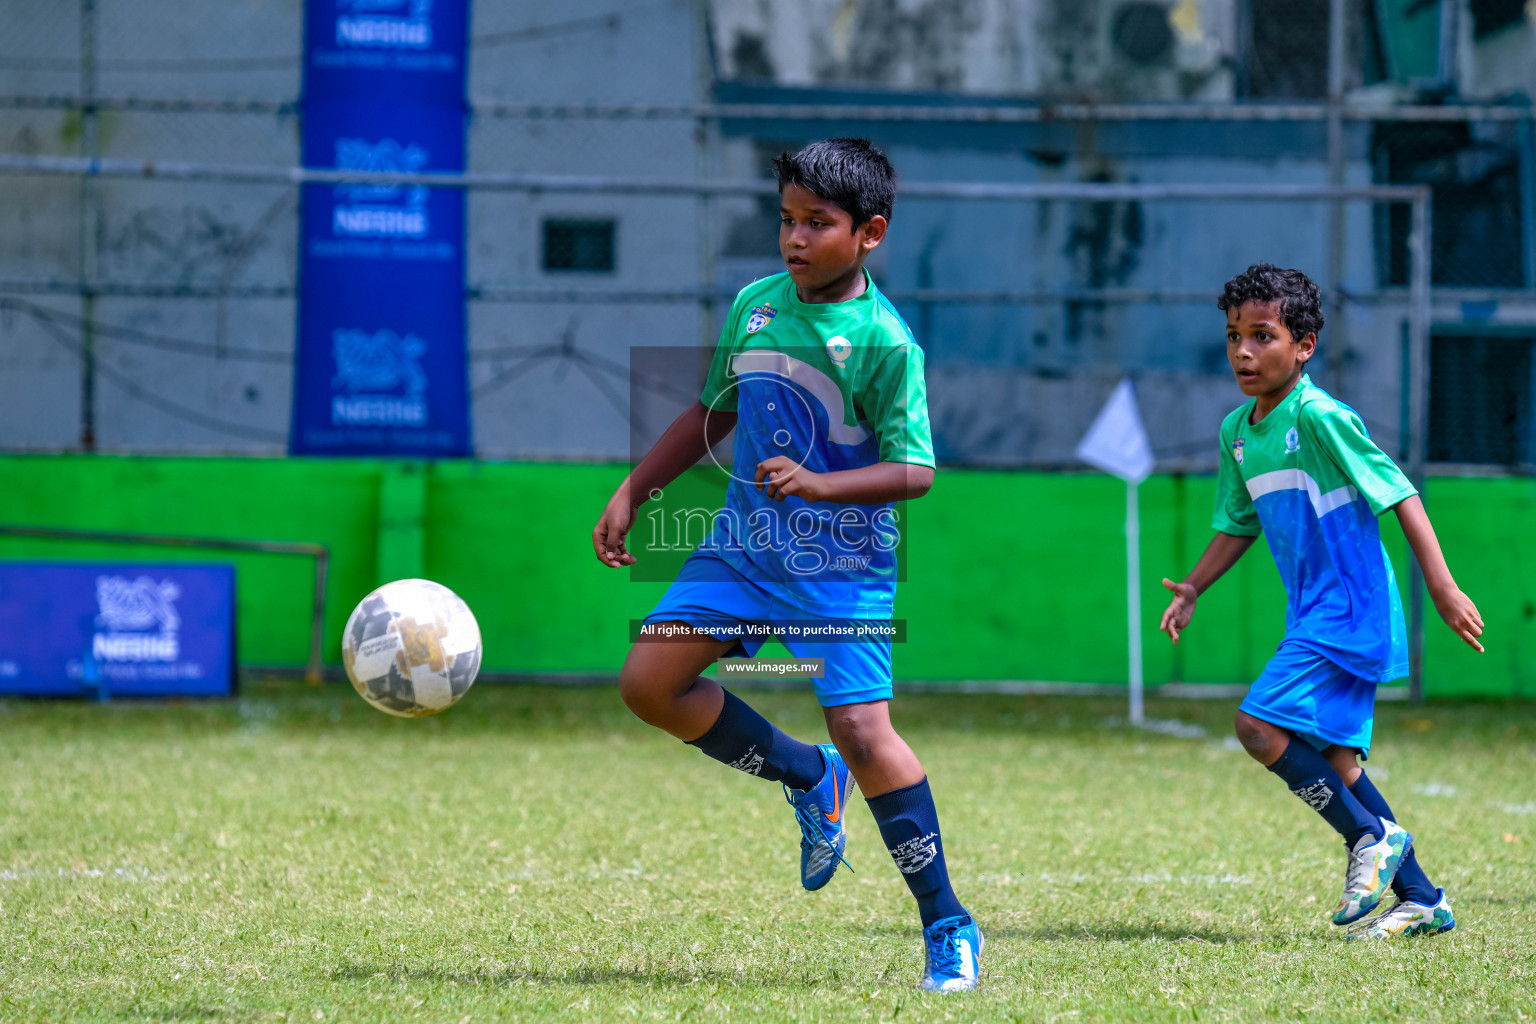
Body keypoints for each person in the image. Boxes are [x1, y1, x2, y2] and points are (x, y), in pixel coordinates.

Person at [591, 138, 980, 990]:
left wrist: (819, 483)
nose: (794, 239)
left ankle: (947, 924)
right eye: (786, 220)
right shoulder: (757, 306)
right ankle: (808, 777)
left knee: (866, 731)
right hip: (740, 551)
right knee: (648, 685)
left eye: (817, 223)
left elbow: (916, 470)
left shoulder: (885, 343)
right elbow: (712, 410)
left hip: (839, 572)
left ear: (869, 233)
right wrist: (637, 489)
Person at [1158, 263, 1483, 940]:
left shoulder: (1323, 417)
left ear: (1303, 345)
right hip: (1315, 612)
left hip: (1352, 608)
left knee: (1257, 726)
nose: (1243, 351)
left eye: (1262, 336)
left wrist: (1442, 584)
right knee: (1335, 761)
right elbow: (1237, 522)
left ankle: (1369, 835)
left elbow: (1399, 493)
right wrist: (1193, 586)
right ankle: (1422, 897)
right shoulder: (1237, 433)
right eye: (1233, 337)